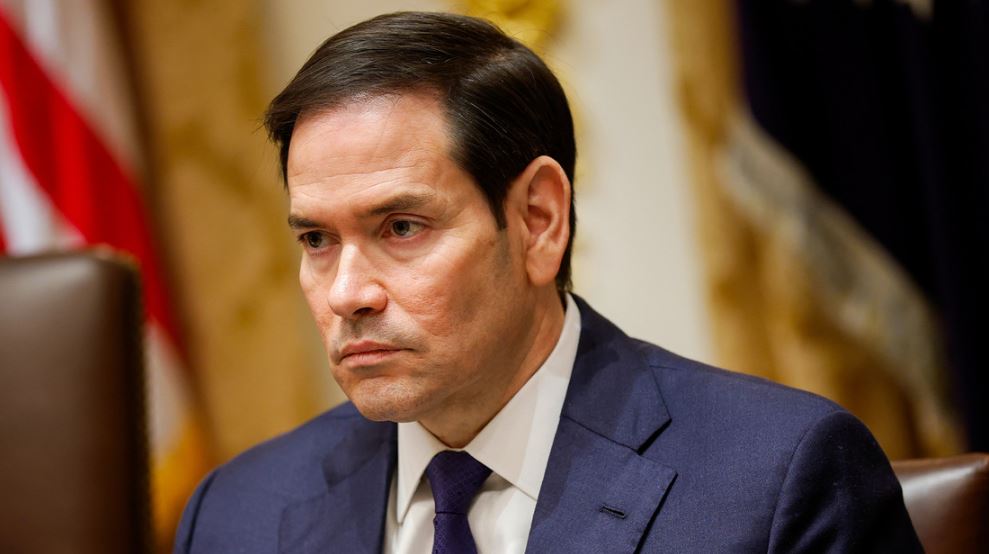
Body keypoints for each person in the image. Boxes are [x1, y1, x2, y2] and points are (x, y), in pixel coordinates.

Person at [174, 11, 922, 553]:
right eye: (316, 239)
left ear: (537, 221)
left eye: (401, 228)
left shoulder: (776, 482)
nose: (346, 294)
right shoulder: (235, 516)